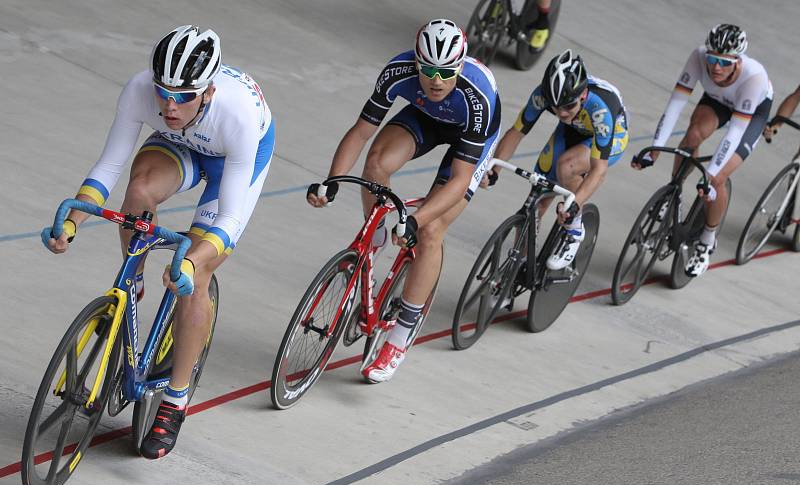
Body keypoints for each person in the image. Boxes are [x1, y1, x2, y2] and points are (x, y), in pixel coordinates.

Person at [42, 25, 275, 458]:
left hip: (234, 160)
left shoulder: (237, 114)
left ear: (207, 93)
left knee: (194, 274)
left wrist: (191, 262)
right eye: (163, 91)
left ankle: (176, 399)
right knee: (139, 190)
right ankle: (134, 279)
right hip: (179, 144)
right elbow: (108, 166)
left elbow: (230, 215)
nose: (169, 104)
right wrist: (72, 222)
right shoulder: (139, 92)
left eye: (184, 95)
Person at [306, 19, 501, 383]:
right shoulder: (397, 71)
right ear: (416, 62)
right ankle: (376, 236)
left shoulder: (479, 96)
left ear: (459, 66)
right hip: (425, 118)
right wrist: (332, 180)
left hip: (470, 139)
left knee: (431, 230)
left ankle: (400, 335)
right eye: (428, 70)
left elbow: (459, 181)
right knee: (377, 162)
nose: (436, 80)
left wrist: (415, 218)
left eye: (446, 72)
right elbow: (361, 132)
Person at [633, 24, 773, 277]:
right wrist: (654, 150)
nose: (716, 67)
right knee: (692, 136)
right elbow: (675, 104)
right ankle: (673, 193)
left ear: (737, 62)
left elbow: (734, 134)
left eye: (723, 62)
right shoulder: (698, 56)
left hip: (750, 114)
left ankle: (708, 241)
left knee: (717, 178)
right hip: (717, 100)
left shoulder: (755, 78)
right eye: (712, 59)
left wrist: (711, 173)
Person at [488, 49, 628, 270]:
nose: (561, 113)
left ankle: (574, 230)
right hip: (572, 131)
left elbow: (598, 171)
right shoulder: (543, 96)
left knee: (567, 165)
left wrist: (574, 206)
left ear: (582, 95)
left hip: (609, 136)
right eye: (555, 108)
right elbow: (515, 133)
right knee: (536, 200)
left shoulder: (601, 108)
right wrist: (493, 169)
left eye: (568, 106)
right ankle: (513, 272)